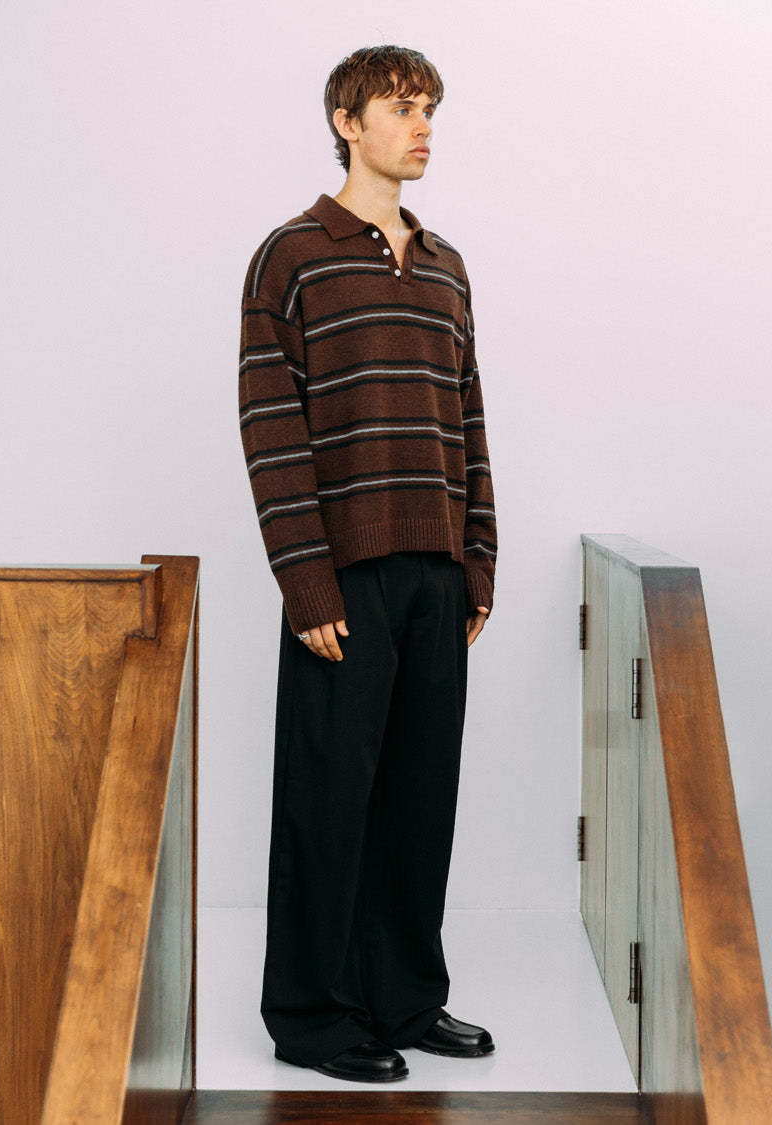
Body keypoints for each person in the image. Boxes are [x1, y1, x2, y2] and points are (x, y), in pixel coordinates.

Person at [238, 44, 497, 1084]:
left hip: (437, 570)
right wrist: (304, 578)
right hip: (342, 575)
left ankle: (405, 998)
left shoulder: (445, 264)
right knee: (327, 797)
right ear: (348, 122)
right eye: (401, 107)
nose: (423, 125)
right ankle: (311, 1016)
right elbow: (271, 427)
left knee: (420, 798)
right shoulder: (291, 257)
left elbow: (469, 418)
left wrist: (479, 559)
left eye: (429, 107)